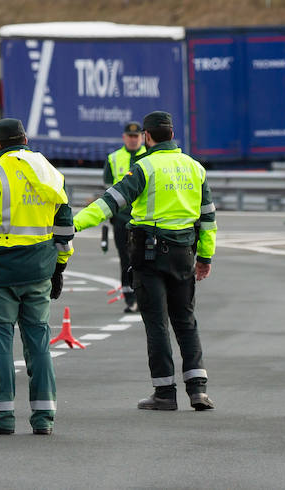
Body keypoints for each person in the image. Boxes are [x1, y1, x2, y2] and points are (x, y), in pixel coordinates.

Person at [73, 111, 217, 411]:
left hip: (150, 255)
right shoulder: (194, 168)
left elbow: (109, 203)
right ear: (172, 133)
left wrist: (72, 225)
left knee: (157, 324)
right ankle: (198, 390)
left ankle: (164, 393)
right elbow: (208, 219)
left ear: (147, 137)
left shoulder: (144, 166)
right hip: (185, 254)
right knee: (186, 321)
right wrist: (205, 257)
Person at [0, 118, 74, 436]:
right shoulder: (50, 172)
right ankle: (43, 419)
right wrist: (60, 267)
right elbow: (65, 228)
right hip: (39, 270)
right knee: (38, 343)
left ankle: (2, 416)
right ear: (24, 139)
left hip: (1, 272)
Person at [104, 121, 147, 313]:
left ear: (142, 137)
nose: (133, 140)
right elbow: (107, 188)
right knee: (125, 259)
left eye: (136, 136)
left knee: (145, 260)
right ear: (124, 138)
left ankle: (145, 298)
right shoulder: (114, 158)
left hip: (144, 219)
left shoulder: (149, 156)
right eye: (129, 137)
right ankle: (131, 299)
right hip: (122, 219)